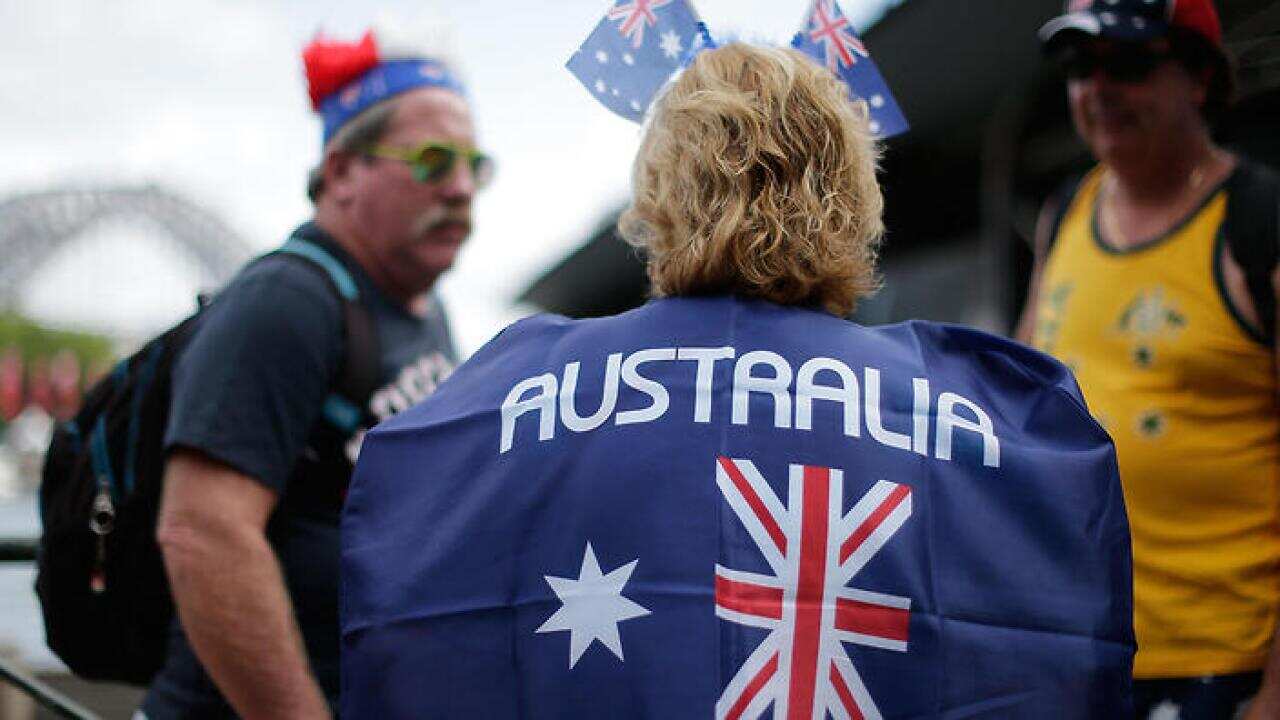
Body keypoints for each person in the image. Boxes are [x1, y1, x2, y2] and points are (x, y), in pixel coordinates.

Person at [343, 42, 1134, 718]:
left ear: (659, 195)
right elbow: (1056, 641)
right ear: (853, 194)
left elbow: (415, 615)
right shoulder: (991, 416)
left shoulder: (511, 396)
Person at [139, 25, 491, 719]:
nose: (459, 188)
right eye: (430, 160)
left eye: (474, 166)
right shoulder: (287, 301)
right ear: (341, 173)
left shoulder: (422, 308)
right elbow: (203, 532)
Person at [1017, 1, 1280, 717]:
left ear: (1199, 77)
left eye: (1127, 64)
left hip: (1222, 672)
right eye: (1078, 66)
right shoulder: (1063, 213)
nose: (1096, 89)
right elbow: (1015, 415)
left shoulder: (1258, 224)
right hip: (1078, 658)